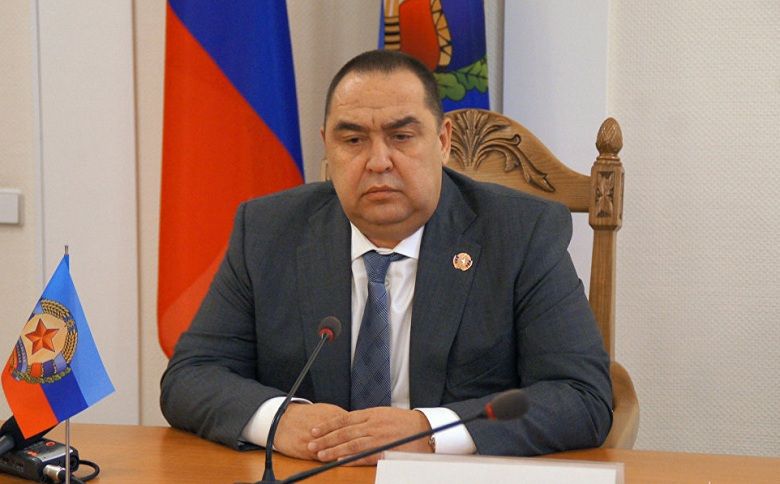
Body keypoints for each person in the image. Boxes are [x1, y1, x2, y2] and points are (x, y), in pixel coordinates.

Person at [160, 49, 612, 465]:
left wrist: (430, 431)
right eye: (353, 140)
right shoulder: (267, 231)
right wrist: (279, 419)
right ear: (327, 147)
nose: (379, 161)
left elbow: (581, 396)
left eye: (401, 136)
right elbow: (191, 376)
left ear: (443, 141)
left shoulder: (520, 233)